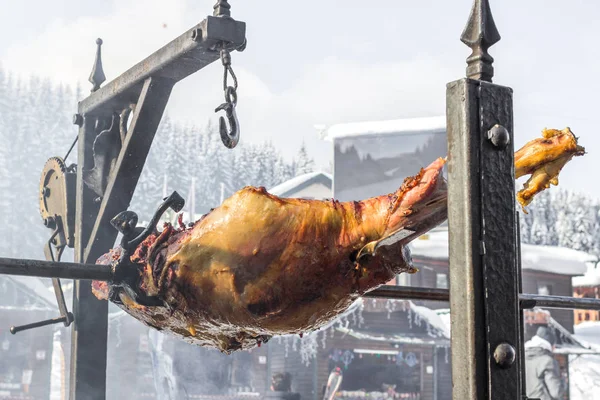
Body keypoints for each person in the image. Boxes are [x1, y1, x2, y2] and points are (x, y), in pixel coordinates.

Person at [525, 326, 566, 400]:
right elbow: (556, 392)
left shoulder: (523, 359)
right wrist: (563, 381)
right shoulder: (548, 361)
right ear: (549, 344)